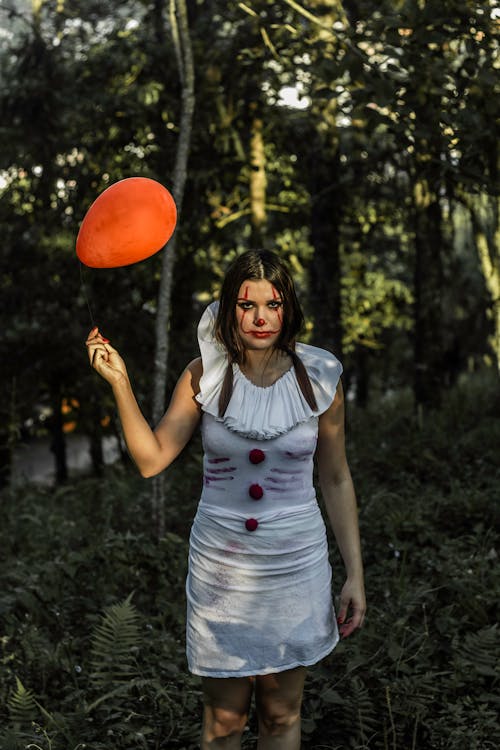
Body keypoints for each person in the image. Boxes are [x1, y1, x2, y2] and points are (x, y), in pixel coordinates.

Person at [86, 249, 366, 750]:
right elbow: (151, 459)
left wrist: (355, 574)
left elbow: (337, 478)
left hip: (295, 565)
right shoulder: (203, 375)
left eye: (273, 304)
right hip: (223, 571)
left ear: (289, 308)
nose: (260, 318)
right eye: (246, 304)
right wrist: (121, 384)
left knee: (282, 716)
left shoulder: (320, 378)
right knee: (223, 721)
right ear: (228, 307)